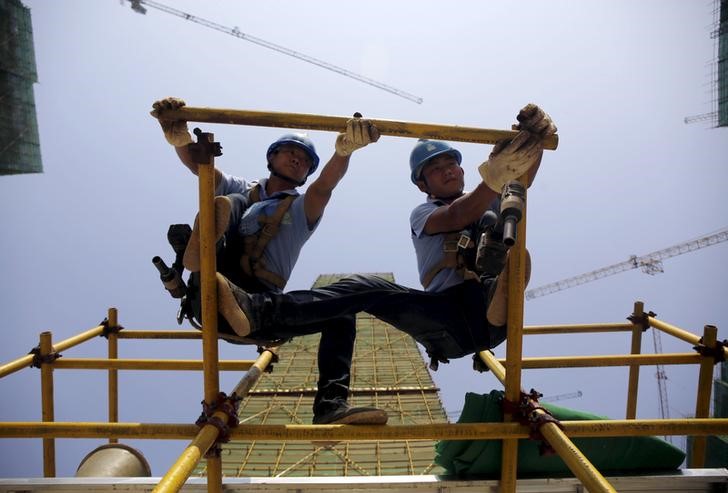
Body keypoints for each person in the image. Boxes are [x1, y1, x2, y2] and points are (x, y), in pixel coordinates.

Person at [197, 104, 556, 386]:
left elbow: (520, 178)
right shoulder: (424, 212)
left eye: (452, 164)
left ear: (464, 171)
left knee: (503, 233)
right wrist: (496, 176)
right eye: (436, 168)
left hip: (485, 310)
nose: (448, 170)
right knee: (361, 289)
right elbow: (456, 217)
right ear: (422, 184)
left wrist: (533, 142)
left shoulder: (493, 198)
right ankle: (259, 312)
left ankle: (499, 301)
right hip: (445, 320)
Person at [151, 97, 386, 425]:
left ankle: (330, 407)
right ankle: (204, 260)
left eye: (305, 160)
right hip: (207, 288)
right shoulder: (243, 189)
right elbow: (200, 166)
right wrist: (181, 139)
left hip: (259, 308)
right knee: (225, 200)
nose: (298, 159)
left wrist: (343, 152)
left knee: (342, 314)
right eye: (291, 152)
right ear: (271, 158)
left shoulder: (301, 209)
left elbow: (325, 188)